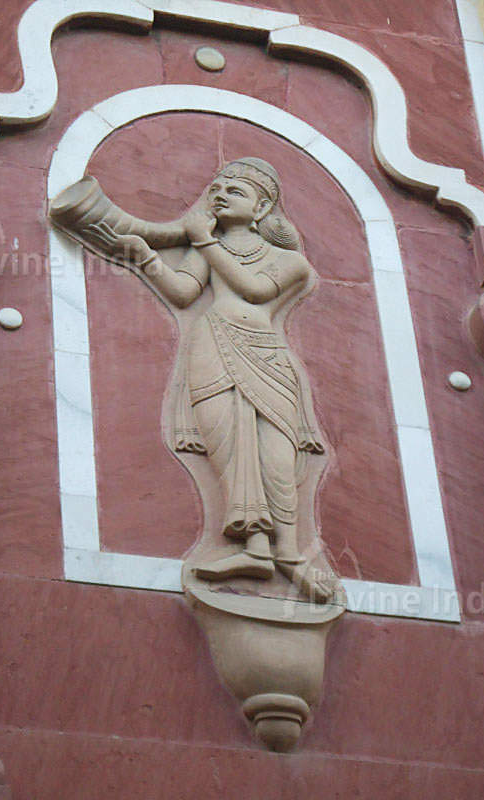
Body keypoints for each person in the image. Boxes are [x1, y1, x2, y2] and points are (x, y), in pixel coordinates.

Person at [83, 157, 335, 602]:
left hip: (265, 356)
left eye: (234, 191)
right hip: (212, 349)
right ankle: (255, 549)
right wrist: (147, 258)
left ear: (262, 209)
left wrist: (202, 238)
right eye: (216, 190)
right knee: (229, 447)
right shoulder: (205, 251)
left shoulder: (288, 260)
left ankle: (290, 555)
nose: (220, 196)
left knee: (277, 457)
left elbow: (256, 290)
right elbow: (183, 292)